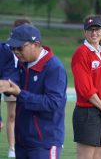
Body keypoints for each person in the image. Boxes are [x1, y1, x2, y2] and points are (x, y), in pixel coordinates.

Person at [0, 24, 67, 159]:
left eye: (19, 47)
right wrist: (7, 86)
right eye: (13, 48)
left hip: (45, 143)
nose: (16, 52)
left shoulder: (54, 68)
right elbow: (12, 83)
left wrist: (20, 94)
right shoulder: (21, 64)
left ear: (35, 44)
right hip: (22, 141)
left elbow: (53, 103)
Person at [71, 15, 101, 159]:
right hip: (88, 112)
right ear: (85, 32)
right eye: (90, 30)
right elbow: (86, 89)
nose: (94, 33)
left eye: (97, 29)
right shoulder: (81, 53)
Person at [3, 18, 31, 158]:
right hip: (10, 82)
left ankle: (27, 142)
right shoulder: (8, 47)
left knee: (26, 113)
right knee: (12, 115)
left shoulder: (30, 47)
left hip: (25, 82)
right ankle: (12, 147)